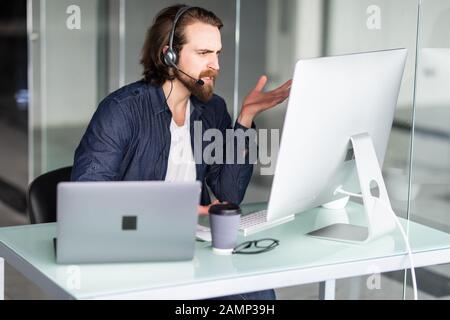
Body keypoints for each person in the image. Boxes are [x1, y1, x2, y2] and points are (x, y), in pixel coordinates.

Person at [71, 4, 291, 300]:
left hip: (191, 249)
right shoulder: (121, 111)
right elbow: (88, 200)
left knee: (257, 292)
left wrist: (245, 118)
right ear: (169, 55)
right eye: (203, 54)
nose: (216, 65)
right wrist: (170, 213)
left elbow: (230, 194)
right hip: (133, 253)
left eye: (217, 53)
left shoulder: (211, 109)